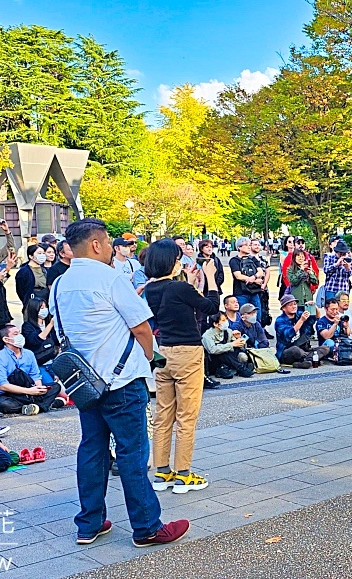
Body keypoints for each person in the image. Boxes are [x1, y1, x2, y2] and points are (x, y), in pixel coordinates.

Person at [48, 218, 188, 547]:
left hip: (85, 383)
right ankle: (147, 526)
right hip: (121, 380)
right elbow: (141, 327)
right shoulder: (111, 278)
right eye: (109, 241)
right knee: (132, 454)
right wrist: (150, 357)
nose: (112, 247)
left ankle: (89, 523)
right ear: (96, 244)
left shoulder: (60, 284)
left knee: (92, 451)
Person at [142, 238, 212, 495]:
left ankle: (162, 472)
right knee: (186, 416)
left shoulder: (152, 289)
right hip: (188, 353)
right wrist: (211, 280)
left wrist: (190, 285)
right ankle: (184, 474)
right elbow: (211, 307)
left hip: (164, 352)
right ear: (171, 261)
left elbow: (178, 304)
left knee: (163, 415)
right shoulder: (179, 289)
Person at [0, 325, 63, 415]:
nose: (20, 336)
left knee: (55, 386)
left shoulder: (29, 354)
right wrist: (29, 391)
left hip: (29, 391)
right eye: (16, 334)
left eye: (20, 333)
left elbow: (35, 375)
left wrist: (38, 389)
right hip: (8, 394)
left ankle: (32, 407)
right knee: (3, 403)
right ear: (6, 339)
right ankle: (44, 405)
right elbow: (3, 385)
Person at [274, 295, 327, 368]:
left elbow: (316, 318)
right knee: (295, 350)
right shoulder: (280, 320)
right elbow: (290, 334)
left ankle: (305, 361)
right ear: (283, 308)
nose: (294, 306)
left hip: (303, 348)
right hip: (286, 351)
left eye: (295, 304)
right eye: (290, 305)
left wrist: (314, 307)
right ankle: (312, 359)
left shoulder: (299, 314)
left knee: (325, 348)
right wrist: (301, 320)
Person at [20, 294, 60, 385]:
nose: (44, 310)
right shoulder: (27, 326)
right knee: (51, 386)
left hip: (54, 362)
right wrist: (50, 325)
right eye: (41, 308)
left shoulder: (51, 326)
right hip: (40, 364)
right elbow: (35, 340)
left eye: (45, 307)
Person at [201, 312, 254, 379]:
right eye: (223, 320)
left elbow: (238, 346)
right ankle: (241, 368)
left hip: (227, 358)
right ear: (215, 324)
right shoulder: (207, 335)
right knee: (222, 353)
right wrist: (231, 344)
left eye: (226, 319)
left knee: (238, 353)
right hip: (213, 360)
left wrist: (239, 340)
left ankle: (225, 369)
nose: (226, 322)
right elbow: (212, 350)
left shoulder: (228, 331)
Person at [229, 238, 267, 320]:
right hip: (241, 293)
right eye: (246, 245)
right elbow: (238, 276)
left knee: (257, 316)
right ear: (239, 247)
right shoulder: (234, 260)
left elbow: (260, 272)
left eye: (249, 245)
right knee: (242, 317)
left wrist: (253, 278)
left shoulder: (253, 259)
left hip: (254, 292)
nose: (249, 247)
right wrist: (255, 280)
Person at [15, 243, 51, 309]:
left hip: (46, 300)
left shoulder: (45, 270)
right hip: (32, 303)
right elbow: (20, 290)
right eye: (39, 253)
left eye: (43, 253)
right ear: (31, 256)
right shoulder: (24, 272)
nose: (42, 255)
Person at [283, 248, 319, 314]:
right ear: (294, 257)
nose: (300, 258)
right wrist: (301, 270)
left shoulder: (307, 268)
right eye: (298, 256)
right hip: (297, 301)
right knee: (298, 320)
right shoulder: (290, 269)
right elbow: (293, 281)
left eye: (302, 256)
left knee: (310, 319)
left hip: (308, 299)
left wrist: (311, 273)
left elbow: (315, 282)